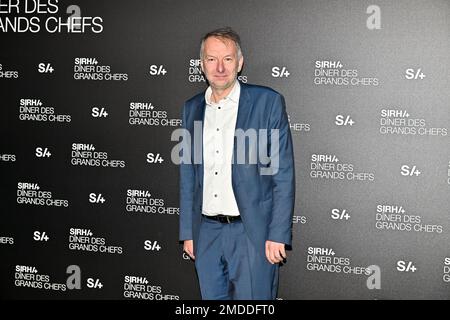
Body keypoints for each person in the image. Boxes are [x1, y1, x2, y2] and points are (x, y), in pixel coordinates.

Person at [179, 27, 295, 300]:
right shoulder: (191, 108)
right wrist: (188, 231)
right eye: (211, 59)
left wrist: (277, 234)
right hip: (206, 232)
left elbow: (281, 174)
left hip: (251, 232)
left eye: (227, 59)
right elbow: (187, 175)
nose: (219, 67)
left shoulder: (267, 103)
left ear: (239, 63)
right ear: (201, 64)